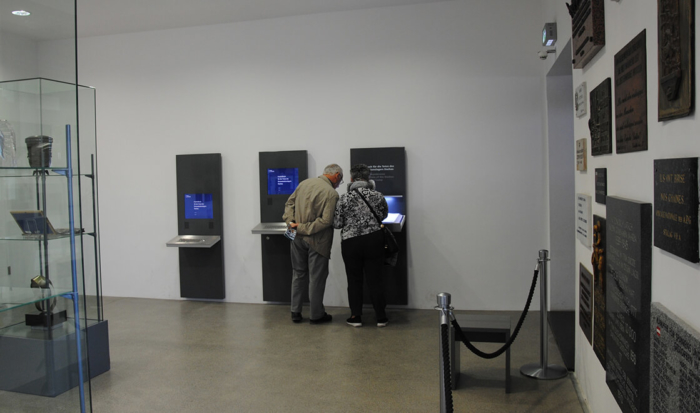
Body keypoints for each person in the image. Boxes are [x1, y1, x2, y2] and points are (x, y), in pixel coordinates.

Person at [283, 164, 343, 324]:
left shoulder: (304, 183)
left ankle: (295, 311)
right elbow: (326, 221)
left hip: (296, 237)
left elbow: (289, 204)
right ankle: (316, 315)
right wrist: (302, 227)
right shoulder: (331, 193)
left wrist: (291, 223)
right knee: (316, 278)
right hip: (318, 241)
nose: (338, 184)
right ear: (337, 176)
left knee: (298, 274)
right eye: (340, 181)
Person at [333, 164, 389, 327]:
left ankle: (356, 316)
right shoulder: (378, 196)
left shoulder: (344, 198)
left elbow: (337, 223)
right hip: (374, 240)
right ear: (368, 177)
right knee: (376, 279)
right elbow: (384, 215)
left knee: (354, 279)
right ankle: (381, 317)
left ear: (351, 179)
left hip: (351, 242)